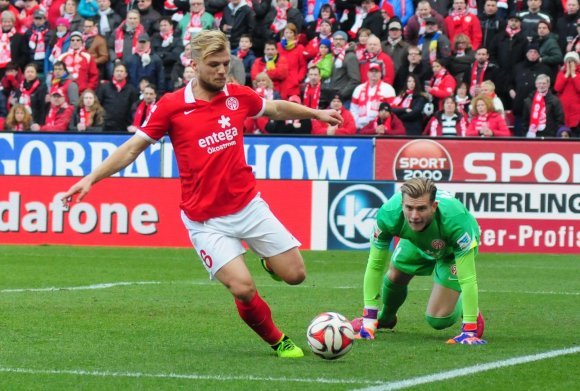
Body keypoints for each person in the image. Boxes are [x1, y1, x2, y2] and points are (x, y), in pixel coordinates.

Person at [60, 30, 342, 358]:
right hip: (206, 221)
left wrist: (316, 113)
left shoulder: (237, 96)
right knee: (243, 288)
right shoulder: (172, 106)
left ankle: (268, 261)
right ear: (194, 65)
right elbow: (133, 148)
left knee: (295, 276)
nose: (222, 71)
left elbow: (274, 108)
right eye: (214, 65)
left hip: (248, 205)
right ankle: (279, 341)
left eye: (226, 64)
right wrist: (91, 179)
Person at [351, 177, 486, 345]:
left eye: (421, 208)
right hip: (416, 241)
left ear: (434, 206)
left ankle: (466, 308)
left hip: (451, 252)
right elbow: (376, 265)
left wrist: (469, 329)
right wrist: (368, 320)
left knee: (438, 320)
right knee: (396, 274)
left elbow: (468, 279)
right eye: (409, 208)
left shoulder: (457, 221)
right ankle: (385, 318)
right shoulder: (389, 214)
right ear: (402, 205)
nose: (414, 216)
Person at [96, 62, 139, 131]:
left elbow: (134, 109)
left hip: (124, 126)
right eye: (117, 71)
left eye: (121, 71)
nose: (119, 73)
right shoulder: (104, 87)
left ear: (126, 74)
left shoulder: (131, 90)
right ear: (113, 73)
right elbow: (98, 105)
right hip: (105, 126)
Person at [554, 51, 580, 136]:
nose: (570, 64)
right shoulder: (561, 74)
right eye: (568, 61)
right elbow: (557, 88)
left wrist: (573, 74)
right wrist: (566, 75)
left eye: (573, 61)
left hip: (577, 112)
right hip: (563, 111)